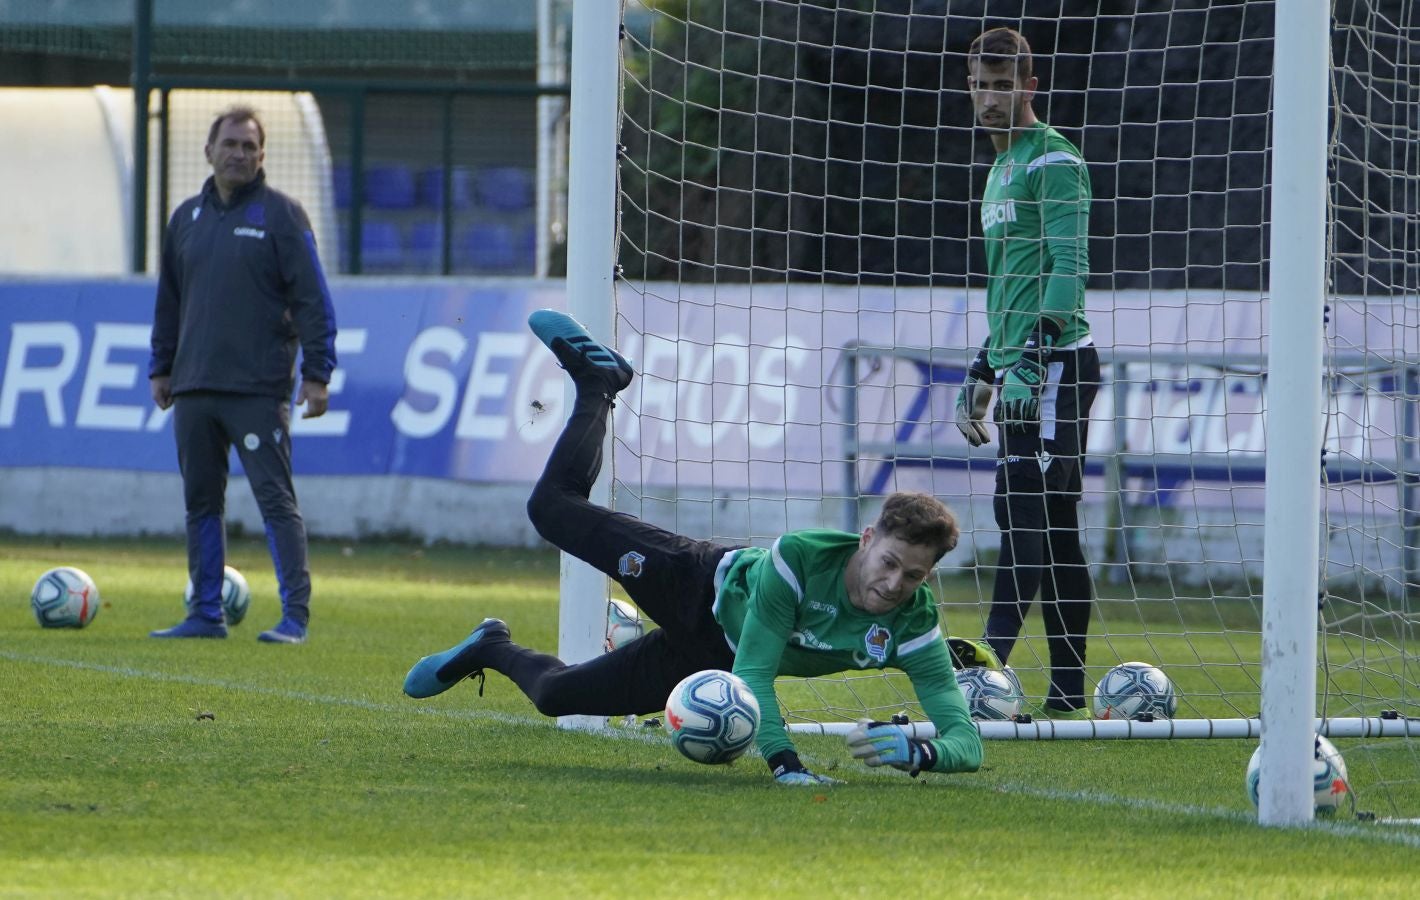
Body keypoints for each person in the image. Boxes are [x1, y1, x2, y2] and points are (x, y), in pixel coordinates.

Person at [404, 309, 989, 784]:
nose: (894, 584)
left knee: (556, 696)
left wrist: (922, 752)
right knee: (551, 509)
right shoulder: (802, 559)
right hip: (693, 583)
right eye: (889, 563)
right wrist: (787, 766)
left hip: (708, 659)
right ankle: (598, 382)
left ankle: (491, 646)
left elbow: (965, 739)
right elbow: (756, 676)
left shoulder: (915, 625)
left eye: (913, 576)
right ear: (867, 540)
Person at [148, 105, 338, 644]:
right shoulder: (185, 218)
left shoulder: (282, 215)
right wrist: (161, 367)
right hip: (192, 387)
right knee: (200, 502)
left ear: (262, 156)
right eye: (230, 144)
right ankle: (205, 613)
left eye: (249, 146)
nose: (239, 154)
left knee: (274, 499)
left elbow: (312, 301)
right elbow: (169, 301)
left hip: (257, 389)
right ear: (208, 151)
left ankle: (294, 618)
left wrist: (317, 373)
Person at [953, 27, 1100, 718]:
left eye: (1001, 84)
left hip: (1057, 365)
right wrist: (986, 364)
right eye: (979, 85)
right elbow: (1013, 283)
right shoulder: (997, 170)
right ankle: (1067, 691)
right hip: (1018, 366)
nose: (988, 98)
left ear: (1028, 86)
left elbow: (1069, 269)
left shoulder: (1054, 162)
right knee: (1053, 526)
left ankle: (986, 667)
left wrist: (1035, 357)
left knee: (1022, 513)